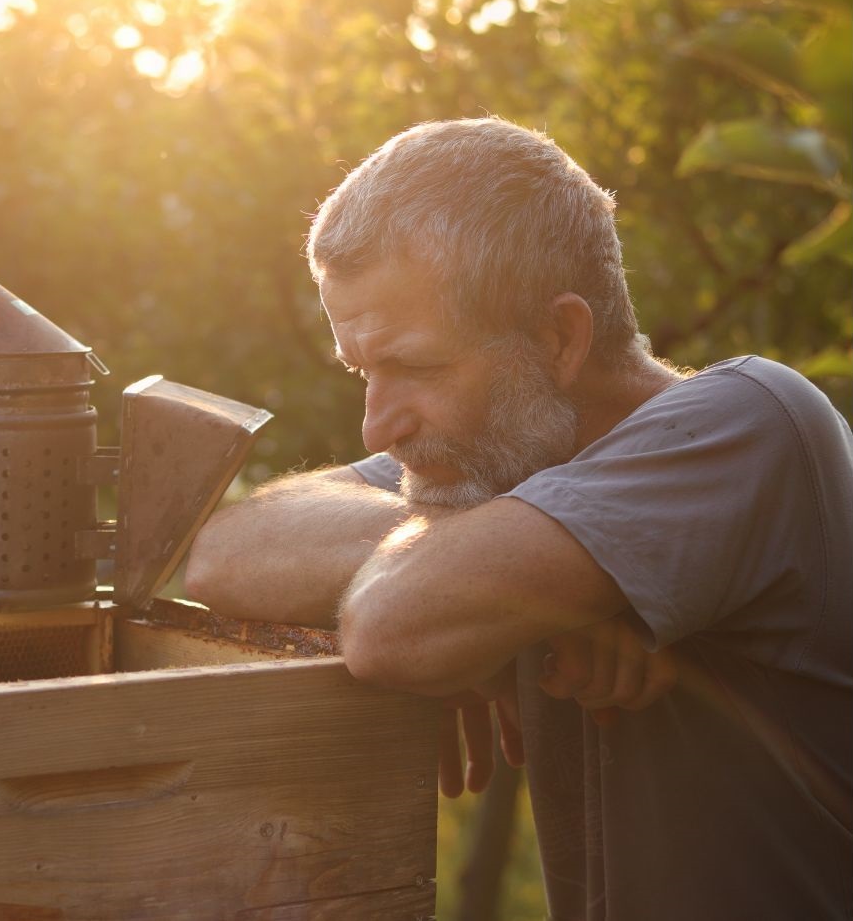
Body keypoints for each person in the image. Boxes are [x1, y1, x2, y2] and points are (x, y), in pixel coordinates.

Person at [185, 117, 853, 920]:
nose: (376, 427)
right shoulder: (495, 466)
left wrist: (465, 578)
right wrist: (516, 581)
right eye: (363, 371)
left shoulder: (752, 425)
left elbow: (391, 624)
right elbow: (222, 553)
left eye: (415, 366)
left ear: (560, 337)